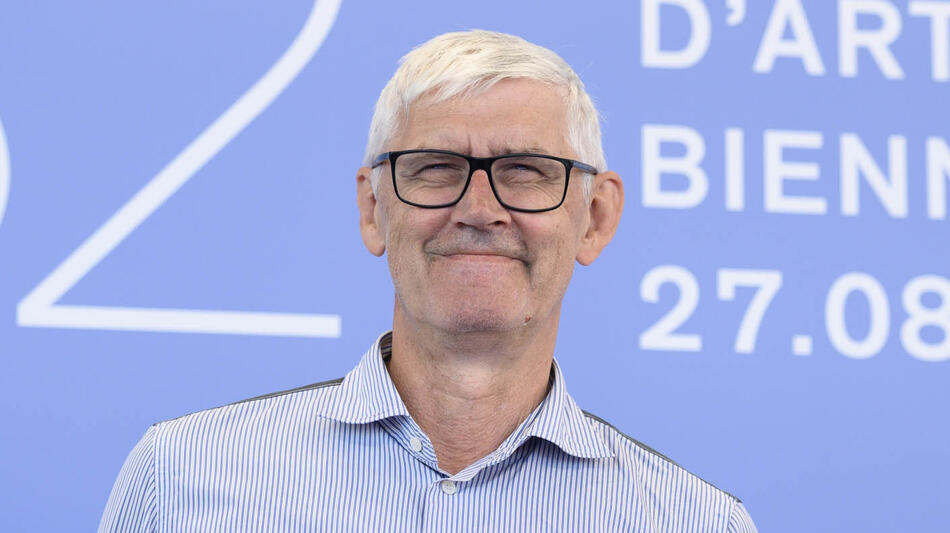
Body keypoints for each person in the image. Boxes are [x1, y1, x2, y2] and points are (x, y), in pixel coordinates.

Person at [99, 30, 757, 532]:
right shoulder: (182, 477)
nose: (478, 209)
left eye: (527, 170)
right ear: (372, 208)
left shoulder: (694, 521)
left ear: (595, 217)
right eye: (436, 167)